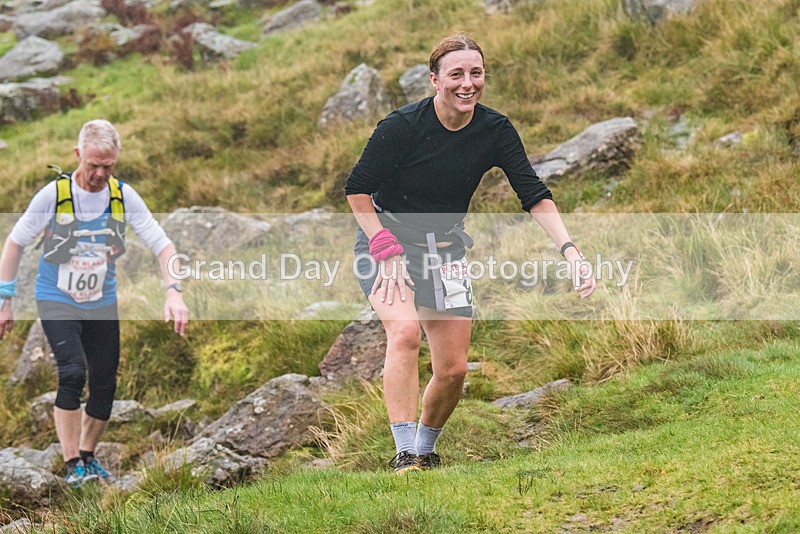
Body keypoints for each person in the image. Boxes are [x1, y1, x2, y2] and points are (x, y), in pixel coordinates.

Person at [345, 34, 596, 474]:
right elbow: (357, 190)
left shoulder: (494, 130)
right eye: (456, 74)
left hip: (445, 249)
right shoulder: (402, 126)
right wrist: (384, 247)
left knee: (454, 370)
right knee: (404, 333)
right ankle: (404, 453)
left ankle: (425, 449)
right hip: (387, 244)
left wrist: (570, 251)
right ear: (434, 80)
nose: (467, 84)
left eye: (475, 73)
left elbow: (534, 194)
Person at [0, 119, 189, 487]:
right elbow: (14, 243)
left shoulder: (121, 196)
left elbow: (162, 244)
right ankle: (72, 463)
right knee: (73, 372)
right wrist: (5, 300)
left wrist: (173, 291)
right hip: (56, 296)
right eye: (93, 165)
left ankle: (87, 455)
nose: (100, 174)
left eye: (108, 166)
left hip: (101, 300)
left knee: (105, 383)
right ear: (78, 155)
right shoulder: (53, 196)